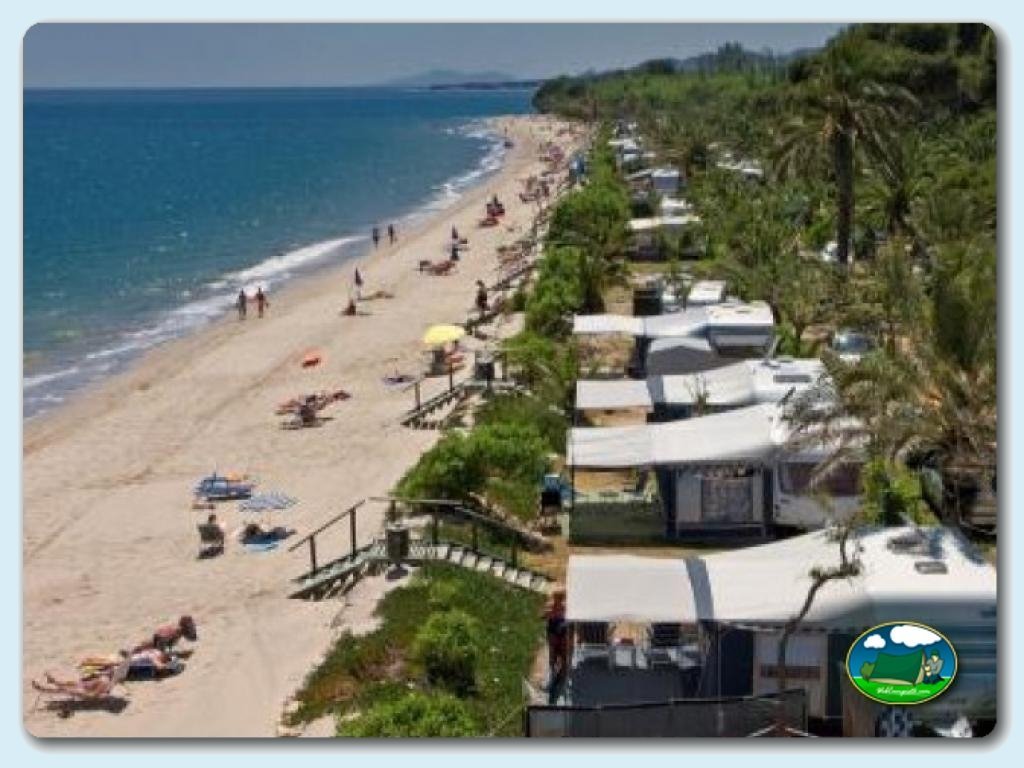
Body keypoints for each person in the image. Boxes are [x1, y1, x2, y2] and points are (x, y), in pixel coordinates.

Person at [543, 589, 569, 703]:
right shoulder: (550, 606)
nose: (557, 600)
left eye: (560, 598)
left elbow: (570, 619)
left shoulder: (566, 607)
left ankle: (563, 678)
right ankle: (552, 676)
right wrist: (549, 613)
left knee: (564, 655)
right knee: (552, 654)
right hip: (553, 631)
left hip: (563, 632)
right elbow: (542, 616)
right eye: (556, 598)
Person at [133, 615, 198, 654]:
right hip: (161, 639)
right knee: (149, 646)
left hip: (161, 638)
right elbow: (163, 641)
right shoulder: (176, 631)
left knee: (149, 645)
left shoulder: (177, 631)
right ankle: (136, 650)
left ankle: (137, 649)